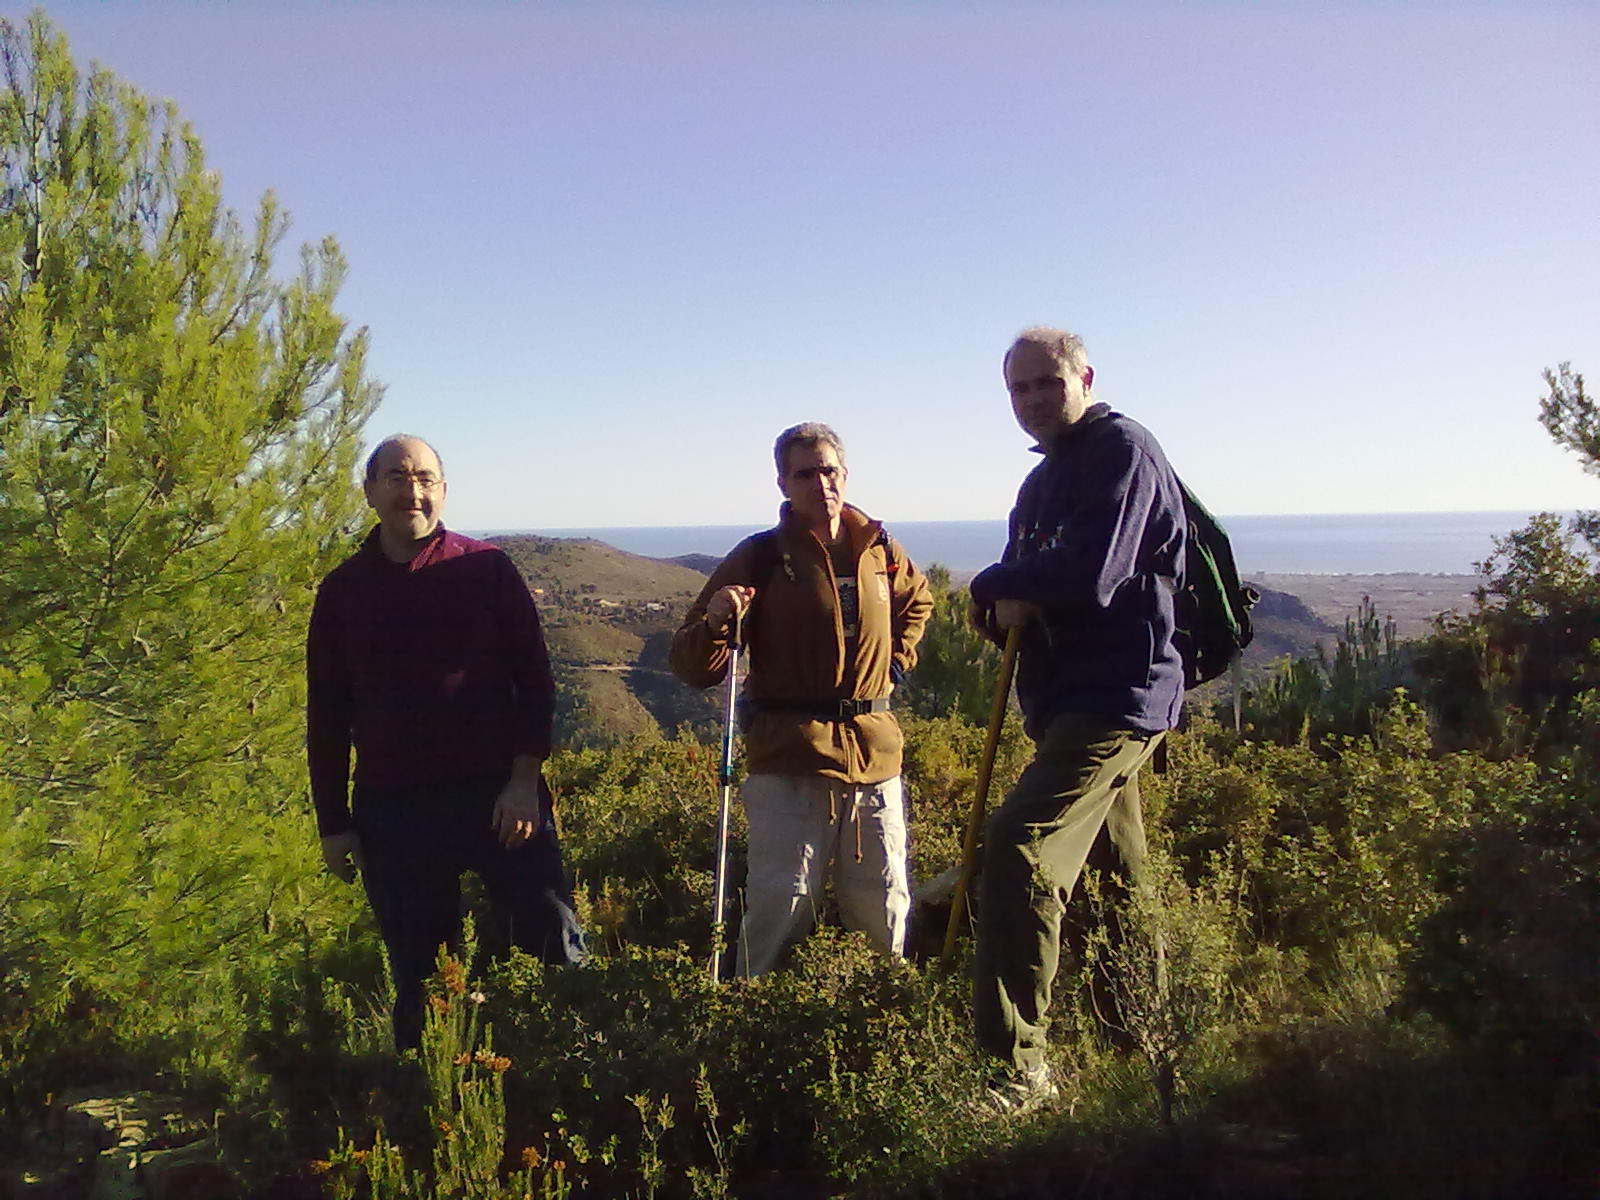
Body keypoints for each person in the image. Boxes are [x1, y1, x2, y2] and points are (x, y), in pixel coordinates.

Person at [966, 327, 1186, 1111]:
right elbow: (1015, 604)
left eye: (1045, 384)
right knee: (1117, 877)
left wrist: (995, 583)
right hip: (1064, 702)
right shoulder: (1039, 486)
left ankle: (1016, 1071)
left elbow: (1092, 574)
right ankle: (1147, 1041)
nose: (1031, 402)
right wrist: (999, 602)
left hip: (1117, 698)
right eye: (1018, 390)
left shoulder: (1122, 452)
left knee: (1020, 850)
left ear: (1084, 376)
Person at [306, 434, 585, 1051]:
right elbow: (326, 714)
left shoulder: (486, 570)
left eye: (426, 478)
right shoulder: (343, 592)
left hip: (498, 798)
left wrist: (522, 782)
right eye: (399, 478)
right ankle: (433, 1107)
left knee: (552, 944)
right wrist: (334, 822)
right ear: (371, 491)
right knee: (422, 978)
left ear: (444, 489)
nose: (414, 491)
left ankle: (572, 1075)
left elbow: (534, 681)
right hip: (394, 810)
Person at [671, 423, 934, 977]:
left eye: (829, 470)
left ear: (846, 474)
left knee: (884, 909)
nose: (821, 483)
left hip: (874, 757)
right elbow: (692, 665)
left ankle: (882, 1031)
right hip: (790, 759)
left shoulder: (879, 548)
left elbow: (919, 600)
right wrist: (719, 619)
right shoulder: (760, 557)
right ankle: (746, 1027)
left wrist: (896, 661)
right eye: (805, 473)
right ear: (783, 483)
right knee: (780, 909)